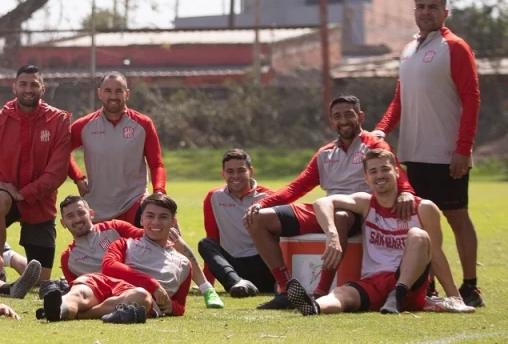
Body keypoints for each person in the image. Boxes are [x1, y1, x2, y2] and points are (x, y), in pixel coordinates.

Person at [244, 95, 414, 308]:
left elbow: (396, 173)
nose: (343, 120)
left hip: (359, 212)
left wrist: (406, 192)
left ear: (360, 117)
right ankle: (287, 289)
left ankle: (320, 292)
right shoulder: (325, 153)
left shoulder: (375, 145)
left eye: (349, 115)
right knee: (257, 220)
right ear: (331, 121)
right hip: (325, 209)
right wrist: (261, 204)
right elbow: (296, 187)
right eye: (337, 116)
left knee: (340, 217)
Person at [372, 0, 484, 307]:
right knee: (418, 223)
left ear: (445, 12)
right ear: (414, 11)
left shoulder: (455, 47)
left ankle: (471, 286)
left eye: (433, 7)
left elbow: (472, 99)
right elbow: (400, 100)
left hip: (446, 154)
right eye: (420, 7)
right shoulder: (408, 49)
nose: (426, 12)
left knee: (456, 217)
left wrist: (464, 147)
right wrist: (381, 130)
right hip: (412, 153)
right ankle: (427, 285)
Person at [286, 148, 468, 316]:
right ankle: (314, 306)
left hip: (410, 282)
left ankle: (397, 294)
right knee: (342, 293)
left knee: (418, 235)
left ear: (397, 172)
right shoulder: (366, 203)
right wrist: (332, 234)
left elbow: (436, 254)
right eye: (373, 172)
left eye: (385, 169)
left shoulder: (424, 208)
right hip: (374, 282)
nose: (380, 175)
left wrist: (455, 297)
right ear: (366, 178)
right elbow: (322, 203)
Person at [0, 64, 72, 282]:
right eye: (23, 84)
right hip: (6, 199)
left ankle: (8, 256)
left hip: (41, 203)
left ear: (43, 89)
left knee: (41, 280)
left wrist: (24, 193)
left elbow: (57, 173)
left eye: (34, 85)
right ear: (14, 87)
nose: (28, 89)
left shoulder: (58, 121)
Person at [39, 192, 190, 323]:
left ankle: (80, 313)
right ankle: (60, 308)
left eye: (163, 217)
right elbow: (109, 266)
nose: (156, 222)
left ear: (173, 222)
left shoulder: (183, 263)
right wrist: (153, 284)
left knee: (141, 296)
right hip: (106, 283)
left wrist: (173, 307)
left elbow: (180, 305)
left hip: (135, 294)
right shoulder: (124, 243)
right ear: (142, 219)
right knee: (84, 286)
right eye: (150, 216)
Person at [67, 72, 166, 226]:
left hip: (135, 202)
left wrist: (159, 191)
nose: (113, 96)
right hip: (98, 208)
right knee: (108, 251)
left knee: (157, 239)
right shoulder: (83, 126)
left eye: (118, 91)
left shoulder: (143, 124)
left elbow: (156, 164)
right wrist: (78, 178)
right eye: (108, 91)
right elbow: (60, 152)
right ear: (100, 93)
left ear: (127, 94)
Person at [198, 148, 276, 297]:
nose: (235, 176)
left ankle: (273, 284)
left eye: (241, 171)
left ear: (250, 171)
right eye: (230, 171)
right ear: (223, 173)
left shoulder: (269, 196)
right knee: (205, 244)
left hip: (265, 263)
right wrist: (208, 281)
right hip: (235, 267)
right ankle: (238, 284)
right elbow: (213, 237)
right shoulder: (214, 197)